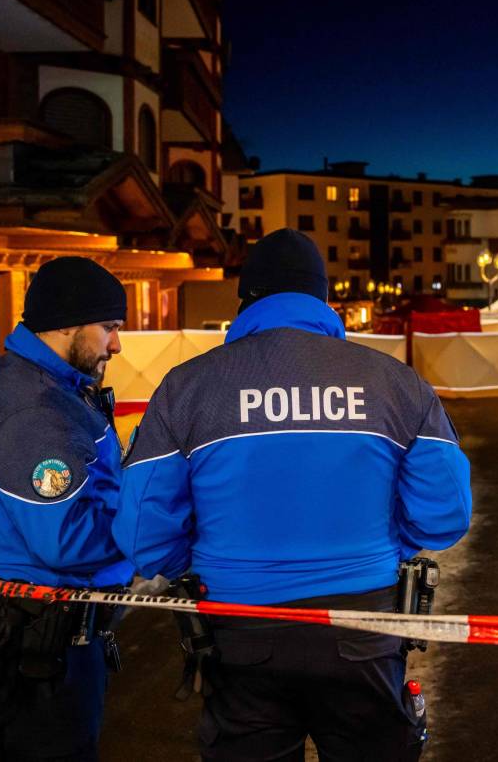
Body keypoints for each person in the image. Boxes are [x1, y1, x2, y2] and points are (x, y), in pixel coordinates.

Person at [114, 228, 472, 761]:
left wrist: (206, 563)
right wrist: (381, 547)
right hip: (365, 630)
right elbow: (445, 515)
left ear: (248, 299)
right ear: (322, 299)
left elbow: (142, 530)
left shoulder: (188, 386)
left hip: (238, 632)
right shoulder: (395, 383)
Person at [0, 256, 136, 762]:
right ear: (67, 323)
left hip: (42, 630)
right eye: (109, 327)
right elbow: (66, 540)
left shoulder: (49, 389)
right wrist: (150, 527)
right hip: (41, 639)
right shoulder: (33, 408)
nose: (116, 344)